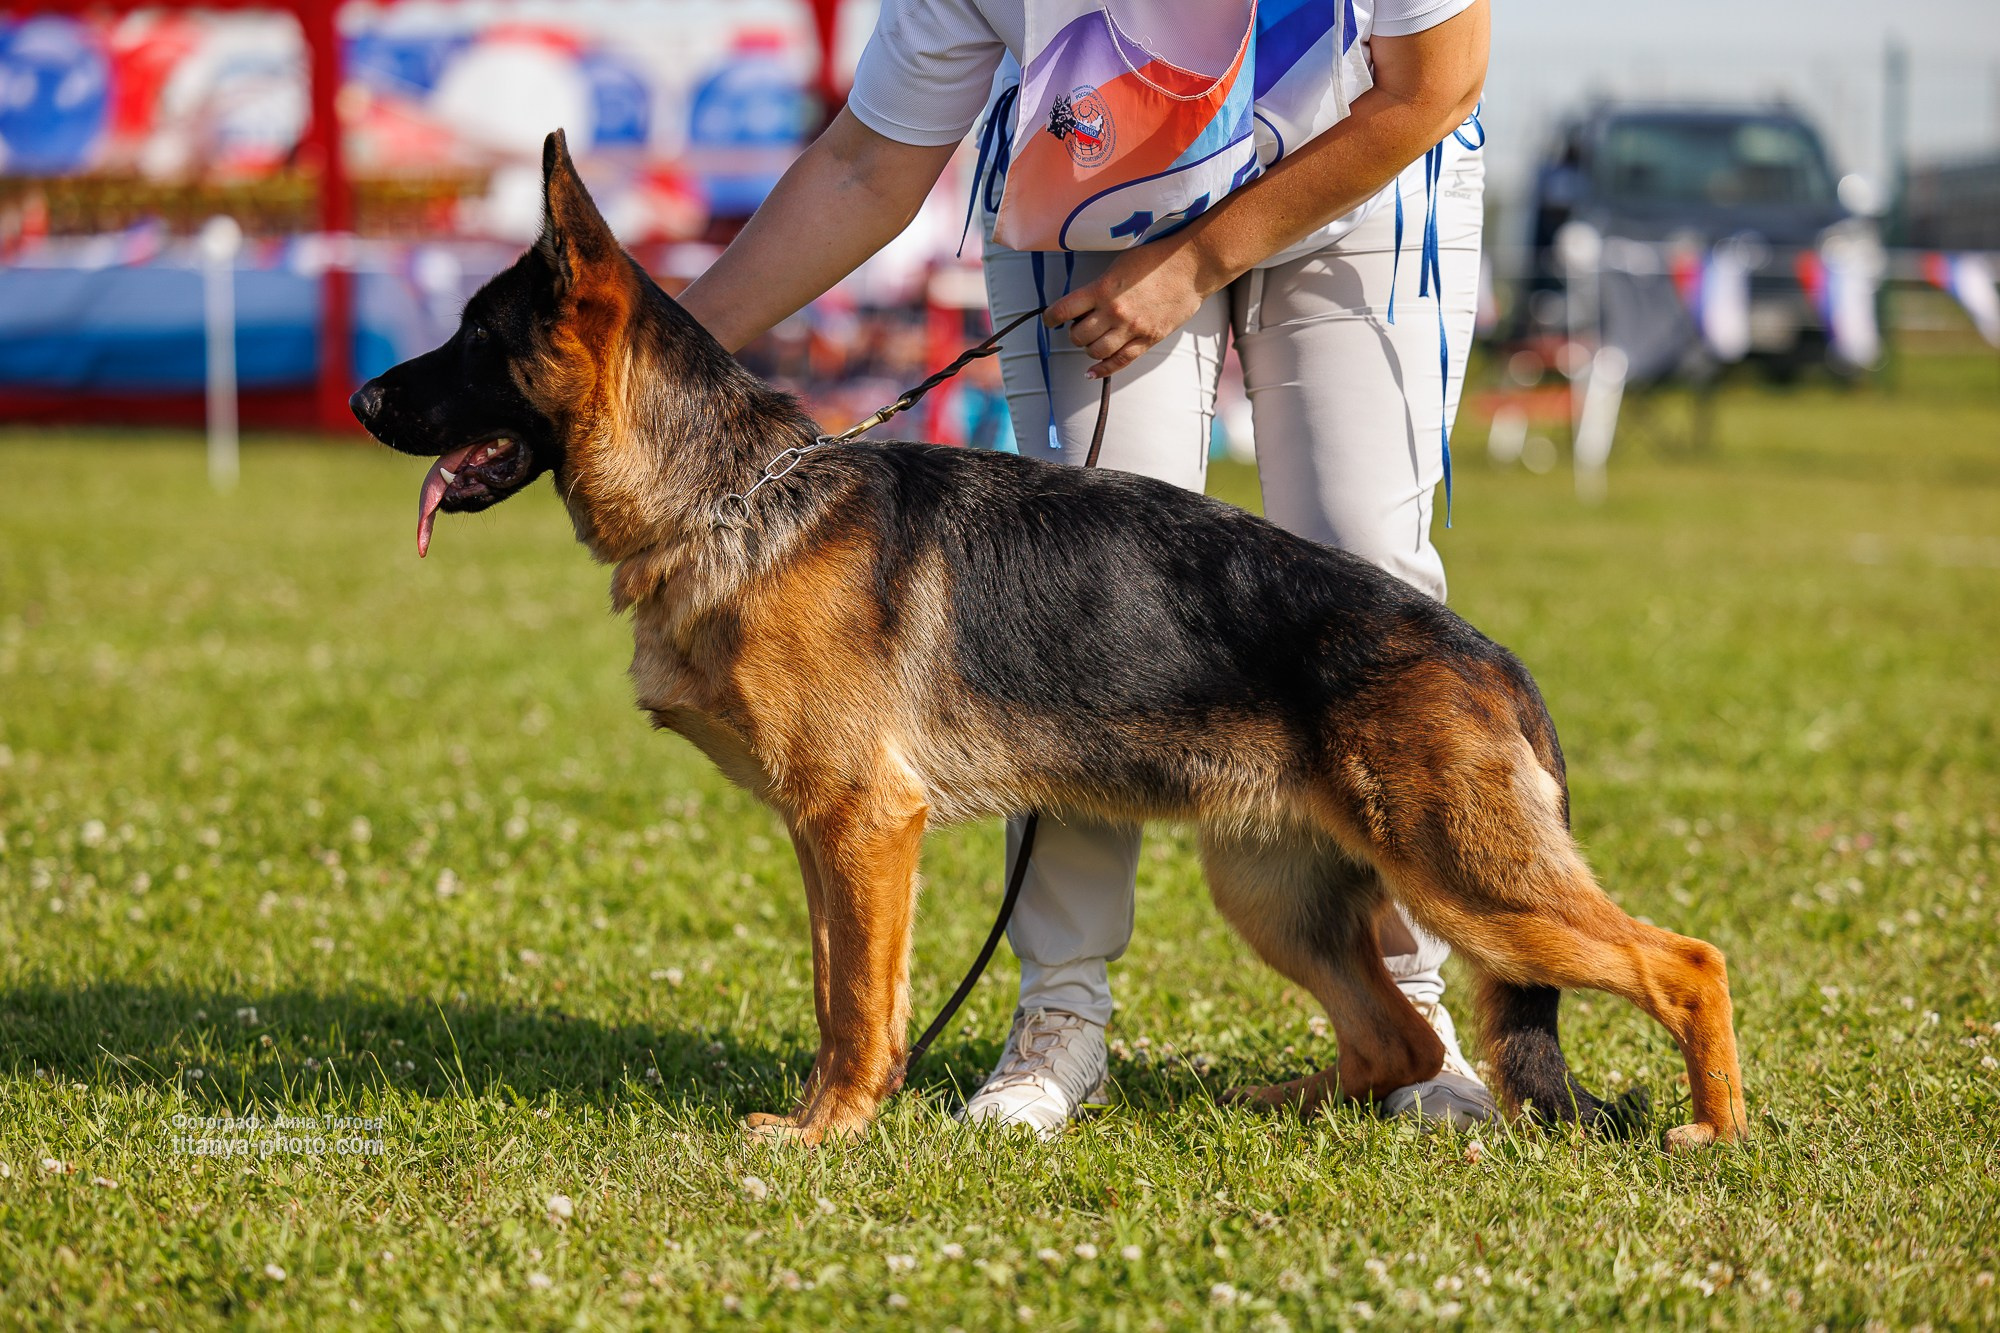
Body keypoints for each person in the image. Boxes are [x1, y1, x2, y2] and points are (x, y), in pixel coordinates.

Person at [680, 0, 1495, 1138]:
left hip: (1364, 170)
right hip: (1094, 180)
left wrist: (1195, 261)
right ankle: (1058, 1016)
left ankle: (1405, 1019)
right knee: (1065, 609)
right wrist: (655, 346)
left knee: (1368, 569)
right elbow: (864, 164)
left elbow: (1433, 84)